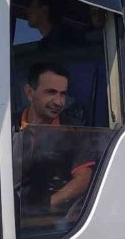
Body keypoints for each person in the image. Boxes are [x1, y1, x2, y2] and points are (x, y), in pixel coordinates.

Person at [14, 62, 98, 214]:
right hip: (6, 213)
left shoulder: (74, 130)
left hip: (49, 224)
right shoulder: (8, 124)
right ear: (29, 93)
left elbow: (83, 178)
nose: (58, 102)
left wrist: (48, 205)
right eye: (51, 92)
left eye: (63, 94)